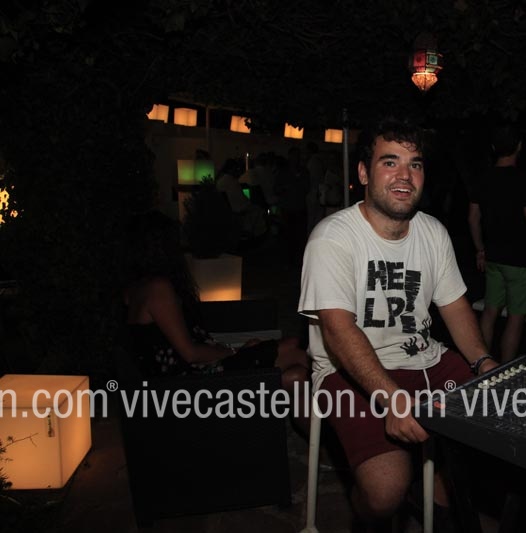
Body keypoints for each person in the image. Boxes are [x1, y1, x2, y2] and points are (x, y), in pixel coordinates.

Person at [297, 117, 498, 529]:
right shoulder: (332, 237)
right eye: (390, 162)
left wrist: (482, 362)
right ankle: (374, 507)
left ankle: (436, 496)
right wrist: (392, 399)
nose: (405, 175)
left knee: (503, 420)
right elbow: (338, 331)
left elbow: (455, 307)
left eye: (415, 164)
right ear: (363, 173)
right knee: (385, 490)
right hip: (347, 370)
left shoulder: (433, 232)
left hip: (425, 360)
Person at [123, 210, 308, 389]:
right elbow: (190, 354)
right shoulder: (157, 288)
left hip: (187, 377)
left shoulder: (136, 288)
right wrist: (233, 351)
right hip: (194, 381)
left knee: (296, 376)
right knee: (293, 346)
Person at [468, 124, 526, 363]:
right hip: (521, 260)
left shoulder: (483, 178)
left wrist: (480, 249)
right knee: (516, 317)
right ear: (519, 147)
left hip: (494, 257)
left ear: (494, 148)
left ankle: (482, 365)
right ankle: (504, 370)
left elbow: (473, 218)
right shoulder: (524, 180)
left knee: (490, 311)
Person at [215, 158, 267, 237]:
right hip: (238, 208)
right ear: (231, 169)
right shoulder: (232, 181)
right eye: (236, 169)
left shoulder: (220, 181)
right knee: (258, 210)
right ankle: (255, 234)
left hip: (229, 209)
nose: (237, 170)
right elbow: (241, 199)